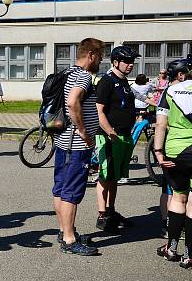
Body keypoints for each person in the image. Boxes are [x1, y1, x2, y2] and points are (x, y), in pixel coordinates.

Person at [52, 37, 104, 256]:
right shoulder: (83, 76)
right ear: (91, 55)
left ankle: (64, 229)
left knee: (60, 188)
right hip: (76, 143)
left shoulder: (67, 73)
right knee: (72, 191)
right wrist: (83, 130)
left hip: (62, 140)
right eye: (100, 57)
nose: (101, 61)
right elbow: (73, 102)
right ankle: (70, 239)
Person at [94, 45, 141, 233]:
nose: (130, 65)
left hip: (123, 135)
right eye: (127, 61)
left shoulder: (124, 82)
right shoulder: (106, 81)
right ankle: (102, 215)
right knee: (105, 176)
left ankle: (111, 211)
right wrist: (110, 133)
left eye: (132, 62)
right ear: (115, 62)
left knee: (114, 177)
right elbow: (99, 112)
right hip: (108, 136)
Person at [154, 58, 192, 268]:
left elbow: (160, 124)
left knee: (178, 198)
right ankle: (190, 255)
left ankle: (171, 248)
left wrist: (158, 152)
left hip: (176, 149)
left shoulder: (172, 91)